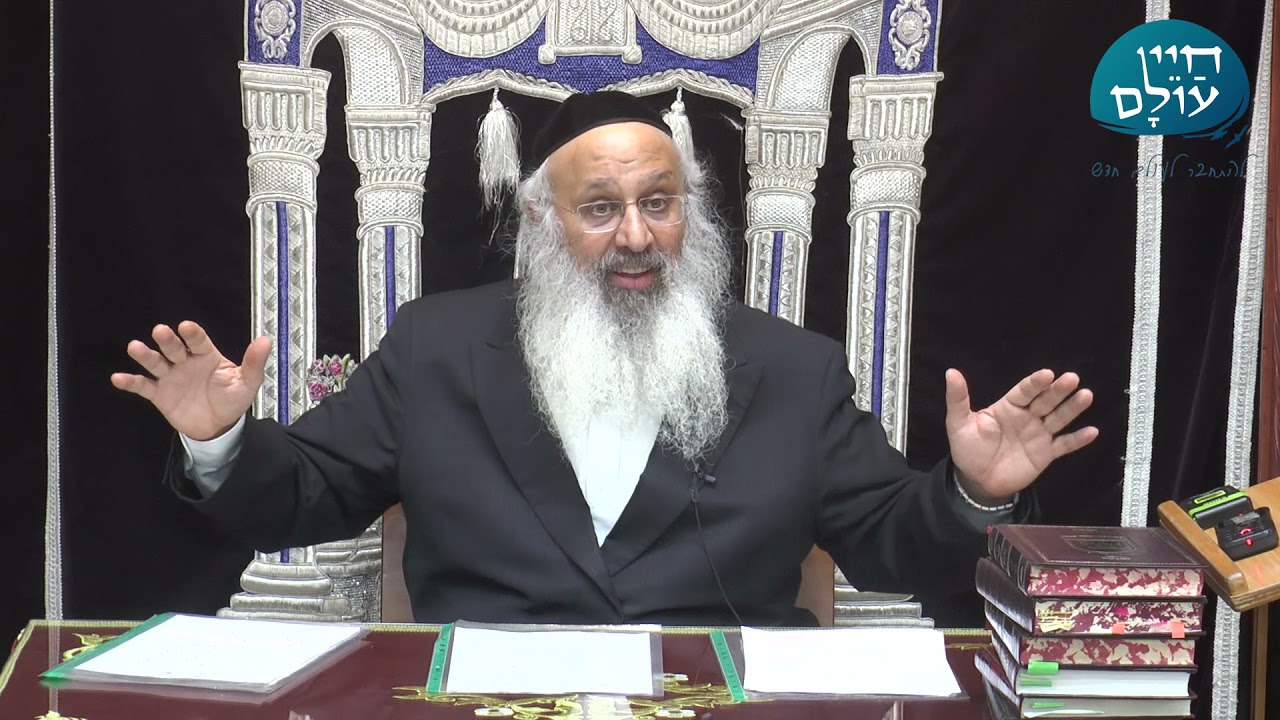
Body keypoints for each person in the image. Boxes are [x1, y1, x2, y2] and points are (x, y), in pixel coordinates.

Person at [112, 91, 1097, 627]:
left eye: (658, 204)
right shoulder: (435, 347)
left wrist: (973, 493)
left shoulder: (792, 369)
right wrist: (223, 443)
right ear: (542, 221)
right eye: (600, 208)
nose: (635, 235)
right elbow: (304, 498)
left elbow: (891, 544)